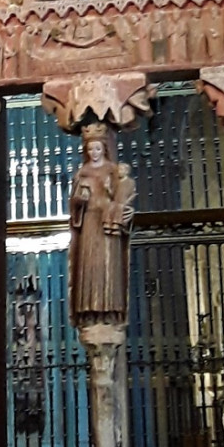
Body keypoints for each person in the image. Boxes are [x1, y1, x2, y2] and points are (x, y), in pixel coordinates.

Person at [68, 125, 136, 325]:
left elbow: (123, 198)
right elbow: (73, 204)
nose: (94, 153)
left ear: (104, 148)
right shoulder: (82, 172)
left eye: (97, 148)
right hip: (89, 223)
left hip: (108, 222)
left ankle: (111, 311)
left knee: (108, 266)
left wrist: (123, 210)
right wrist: (79, 199)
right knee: (89, 266)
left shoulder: (114, 171)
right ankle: (88, 312)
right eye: (90, 149)